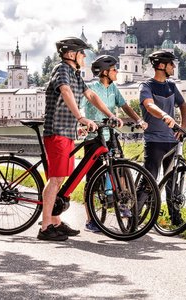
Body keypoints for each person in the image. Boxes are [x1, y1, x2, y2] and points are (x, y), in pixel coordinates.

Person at [38, 36, 117, 241]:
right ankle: (45, 227)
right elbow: (65, 91)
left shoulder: (75, 74)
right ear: (72, 54)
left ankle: (55, 221)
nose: (85, 57)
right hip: (56, 130)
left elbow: (91, 95)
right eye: (82, 53)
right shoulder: (62, 69)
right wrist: (81, 117)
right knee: (55, 179)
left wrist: (110, 115)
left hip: (67, 131)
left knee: (61, 178)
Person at [80, 55, 148, 232]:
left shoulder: (114, 88)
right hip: (93, 138)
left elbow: (125, 106)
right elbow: (80, 107)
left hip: (110, 135)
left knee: (121, 170)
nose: (117, 72)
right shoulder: (91, 88)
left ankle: (124, 202)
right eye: (114, 69)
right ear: (104, 72)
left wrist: (139, 120)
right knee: (92, 179)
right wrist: (83, 123)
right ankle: (90, 220)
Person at [138, 50, 186, 224]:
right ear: (161, 65)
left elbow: (183, 105)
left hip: (172, 141)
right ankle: (133, 218)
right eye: (171, 63)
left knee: (172, 182)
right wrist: (165, 115)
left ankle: (175, 218)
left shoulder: (171, 85)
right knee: (149, 180)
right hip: (154, 141)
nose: (174, 66)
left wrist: (182, 127)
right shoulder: (146, 86)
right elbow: (149, 105)